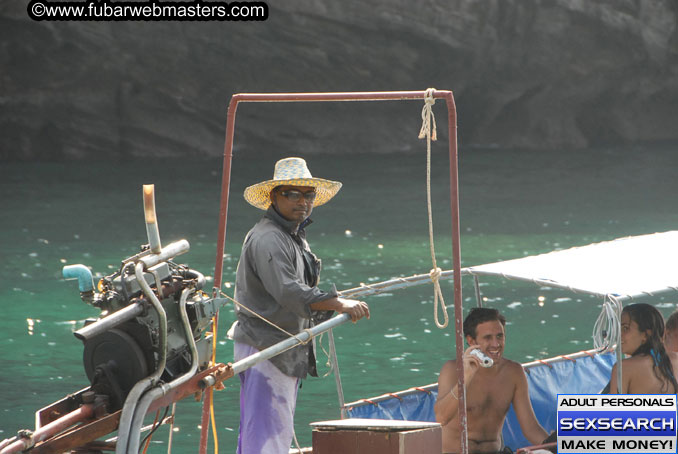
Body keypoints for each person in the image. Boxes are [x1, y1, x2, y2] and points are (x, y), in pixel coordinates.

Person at [230, 157, 370, 454]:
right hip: (266, 345)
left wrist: (332, 303)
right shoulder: (269, 238)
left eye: (308, 195)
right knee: (268, 434)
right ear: (274, 196)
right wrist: (339, 303)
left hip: (281, 346)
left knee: (266, 428)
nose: (302, 201)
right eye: (292, 194)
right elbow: (289, 291)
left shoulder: (292, 235)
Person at [435, 307, 548, 454]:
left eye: (500, 336)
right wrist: (466, 376)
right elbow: (441, 417)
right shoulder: (452, 370)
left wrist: (554, 446)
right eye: (488, 338)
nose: (496, 344)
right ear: (471, 341)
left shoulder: (513, 372)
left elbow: (531, 428)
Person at [608, 303, 678, 394]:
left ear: (646, 335)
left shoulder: (623, 368)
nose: (618, 334)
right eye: (618, 329)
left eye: (625, 328)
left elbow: (613, 407)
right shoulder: (675, 359)